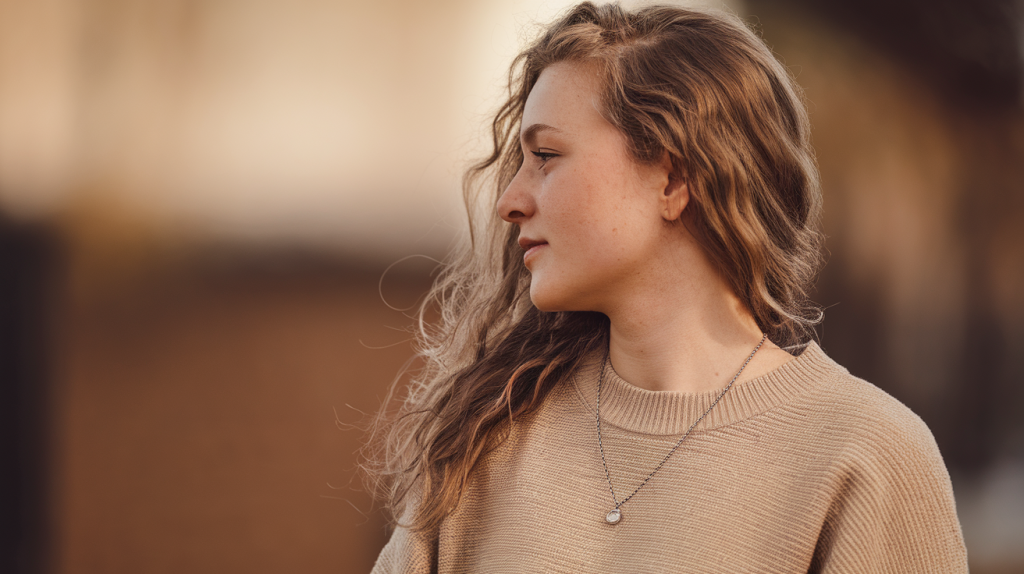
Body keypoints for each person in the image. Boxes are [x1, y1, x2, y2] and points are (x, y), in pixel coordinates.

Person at [364, 3, 968, 572]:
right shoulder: (487, 440)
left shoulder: (863, 456)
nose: (509, 202)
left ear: (674, 178)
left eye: (546, 155)